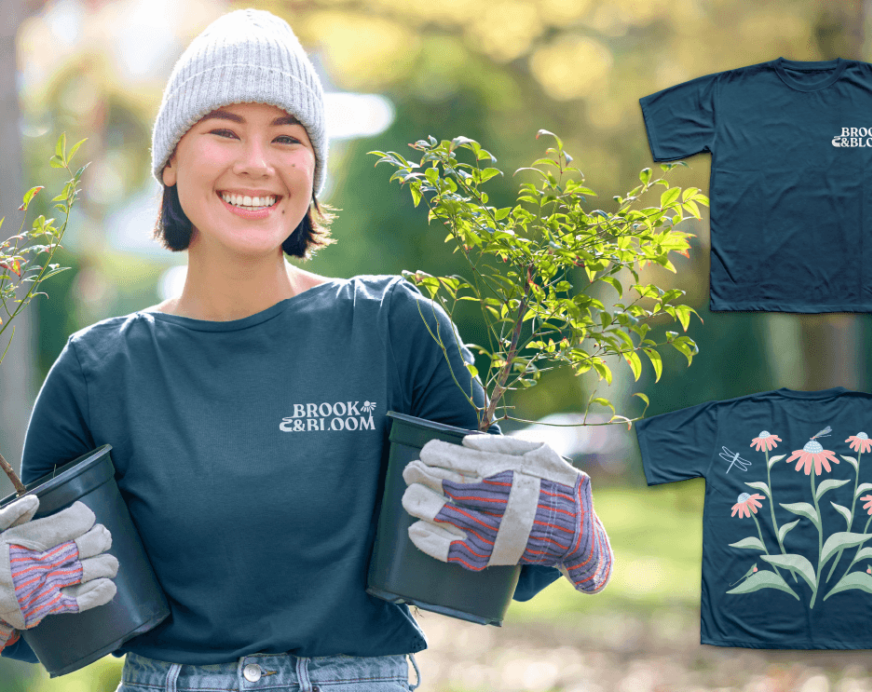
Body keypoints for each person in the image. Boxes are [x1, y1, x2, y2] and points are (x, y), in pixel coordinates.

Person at [0, 8, 613, 692]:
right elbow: (50, 614)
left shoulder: (395, 327)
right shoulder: (97, 371)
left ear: (314, 167)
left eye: (286, 138)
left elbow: (485, 547)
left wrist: (565, 527)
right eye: (223, 131)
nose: (257, 164)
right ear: (170, 160)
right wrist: (5, 605)